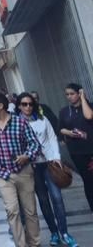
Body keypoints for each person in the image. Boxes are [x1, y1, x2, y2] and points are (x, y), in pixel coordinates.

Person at [0, 89, 41, 247]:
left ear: (0, 105)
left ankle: (34, 243)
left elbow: (34, 144)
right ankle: (21, 244)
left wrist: (27, 155)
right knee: (12, 211)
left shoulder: (20, 122)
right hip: (2, 174)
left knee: (30, 211)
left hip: (24, 172)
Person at [16, 93, 79, 247]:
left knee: (57, 198)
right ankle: (54, 233)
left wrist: (56, 157)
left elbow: (51, 138)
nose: (28, 107)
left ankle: (64, 232)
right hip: (32, 167)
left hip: (49, 163)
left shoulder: (42, 119)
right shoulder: (16, 124)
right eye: (24, 104)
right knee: (43, 201)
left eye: (30, 104)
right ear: (19, 106)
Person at [59, 83, 93, 211]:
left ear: (79, 93)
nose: (69, 97)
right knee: (88, 180)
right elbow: (61, 129)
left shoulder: (89, 106)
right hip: (77, 151)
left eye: (72, 94)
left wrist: (83, 99)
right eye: (67, 94)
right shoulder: (64, 111)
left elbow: (89, 117)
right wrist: (70, 133)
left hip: (91, 148)